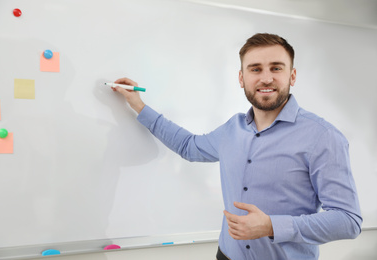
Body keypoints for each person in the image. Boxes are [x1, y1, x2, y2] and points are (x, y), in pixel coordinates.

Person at [111, 33, 362, 260]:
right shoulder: (232, 129)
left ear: (292, 76)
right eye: (255, 69)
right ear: (242, 78)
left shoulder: (323, 137)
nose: (266, 78)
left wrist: (272, 226)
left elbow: (348, 220)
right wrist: (139, 106)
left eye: (276, 68)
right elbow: (189, 146)